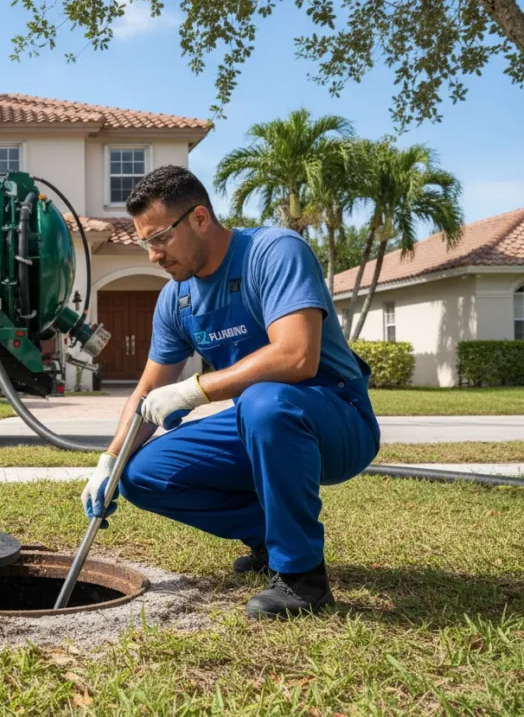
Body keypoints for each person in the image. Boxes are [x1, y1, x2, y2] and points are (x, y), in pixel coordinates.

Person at [81, 165, 380, 619]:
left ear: (199, 218)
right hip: (259, 423)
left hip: (336, 417)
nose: (153, 256)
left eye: (159, 238)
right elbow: (148, 391)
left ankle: (303, 580)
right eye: (146, 243)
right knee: (142, 473)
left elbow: (297, 356)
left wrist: (193, 391)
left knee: (264, 402)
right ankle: (270, 536)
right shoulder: (176, 299)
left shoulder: (273, 252)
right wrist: (109, 461)